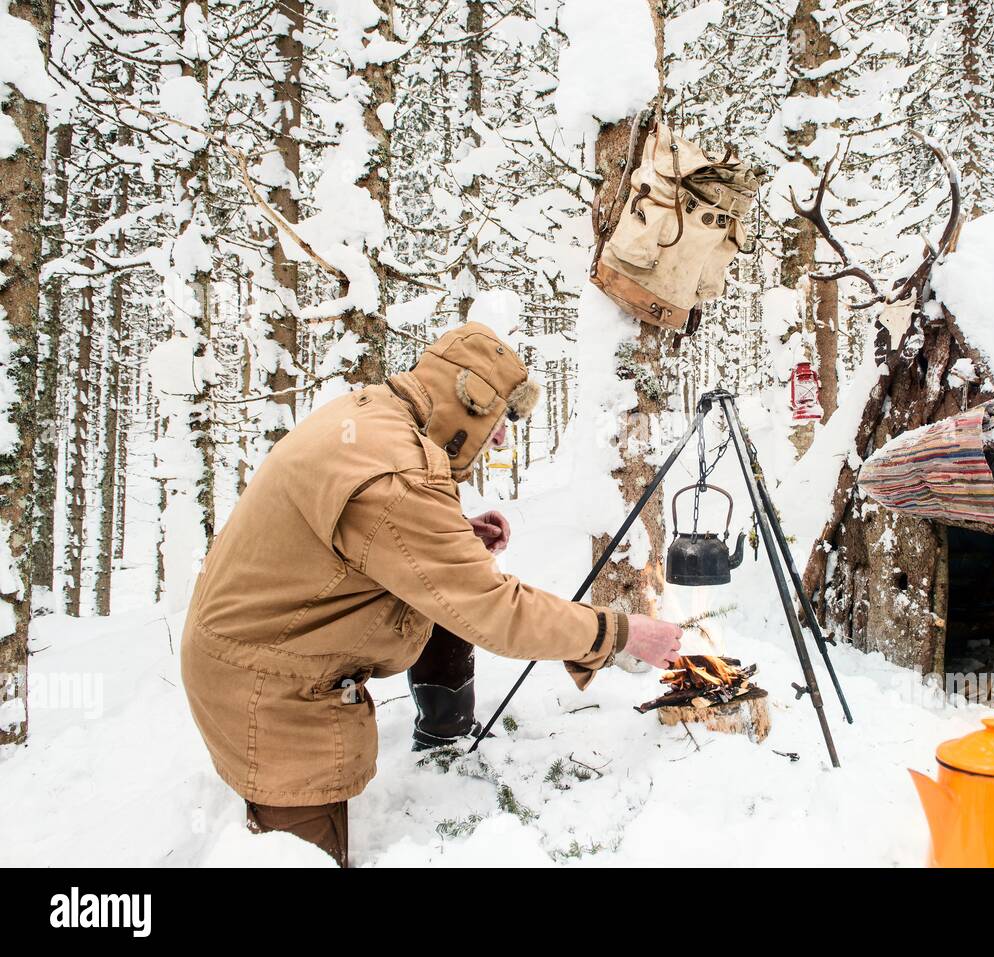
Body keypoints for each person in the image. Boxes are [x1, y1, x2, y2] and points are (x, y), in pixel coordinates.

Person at [180, 322, 682, 866]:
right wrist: (623, 633)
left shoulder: (374, 414)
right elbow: (497, 612)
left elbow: (368, 535)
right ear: (468, 402)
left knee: (447, 595)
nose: (503, 439)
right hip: (269, 685)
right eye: (497, 422)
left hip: (264, 644)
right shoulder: (399, 473)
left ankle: (445, 734)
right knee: (299, 856)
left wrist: (454, 533)